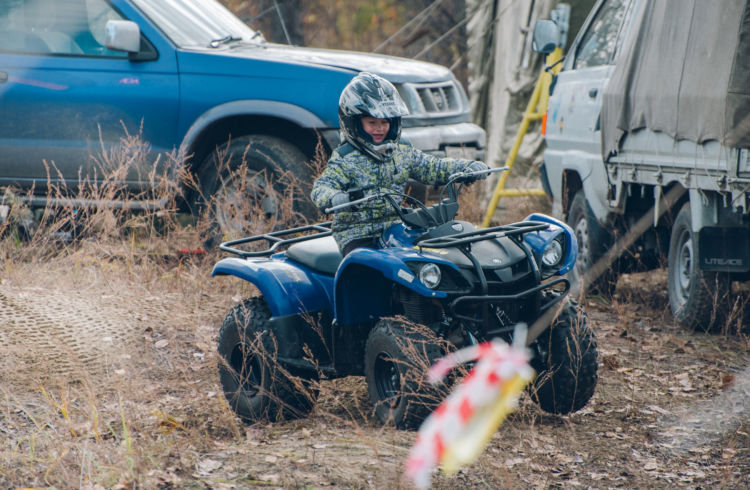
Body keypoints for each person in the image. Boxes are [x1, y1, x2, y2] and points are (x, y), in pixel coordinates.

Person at [311, 72, 489, 255]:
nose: (379, 128)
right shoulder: (345, 158)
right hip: (358, 233)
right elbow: (321, 188)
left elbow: (433, 167)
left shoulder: (402, 151)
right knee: (364, 263)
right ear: (354, 123)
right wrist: (337, 198)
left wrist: (465, 167)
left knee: (431, 253)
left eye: (385, 122)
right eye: (371, 122)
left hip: (396, 228)